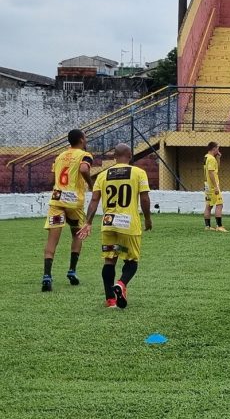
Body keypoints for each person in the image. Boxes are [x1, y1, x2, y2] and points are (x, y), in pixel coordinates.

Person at [77, 143, 152, 308]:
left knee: (110, 260)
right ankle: (121, 284)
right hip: (128, 225)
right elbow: (145, 199)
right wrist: (147, 218)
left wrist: (88, 222)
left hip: (109, 224)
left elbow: (94, 200)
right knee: (131, 261)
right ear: (130, 155)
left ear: (114, 157)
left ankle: (110, 300)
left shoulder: (103, 175)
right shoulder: (139, 173)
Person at [41, 129, 94, 291]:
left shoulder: (59, 157)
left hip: (57, 199)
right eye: (85, 138)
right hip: (74, 201)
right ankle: (72, 271)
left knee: (52, 239)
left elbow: (52, 179)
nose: (86, 140)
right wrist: (91, 185)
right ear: (81, 140)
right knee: (77, 234)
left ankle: (47, 276)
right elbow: (84, 169)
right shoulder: (85, 155)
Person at [203, 142, 227, 232]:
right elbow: (211, 172)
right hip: (213, 186)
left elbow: (216, 169)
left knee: (208, 205)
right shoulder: (211, 159)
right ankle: (219, 226)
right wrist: (216, 186)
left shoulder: (206, 157)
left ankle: (207, 226)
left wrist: (218, 158)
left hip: (207, 185)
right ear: (214, 148)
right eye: (218, 148)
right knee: (219, 204)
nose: (218, 150)